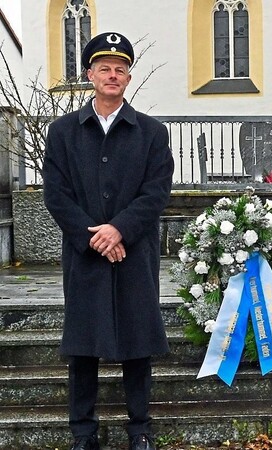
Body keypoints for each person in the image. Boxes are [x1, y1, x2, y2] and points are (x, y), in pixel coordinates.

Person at [42, 32, 174, 450]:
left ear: (129, 77)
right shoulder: (63, 131)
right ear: (90, 75)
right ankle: (83, 433)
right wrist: (95, 237)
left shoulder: (152, 132)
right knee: (82, 346)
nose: (112, 75)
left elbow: (157, 191)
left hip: (135, 253)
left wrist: (120, 230)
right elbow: (56, 194)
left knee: (137, 343)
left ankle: (140, 430)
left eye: (120, 69)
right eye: (104, 68)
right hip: (85, 256)